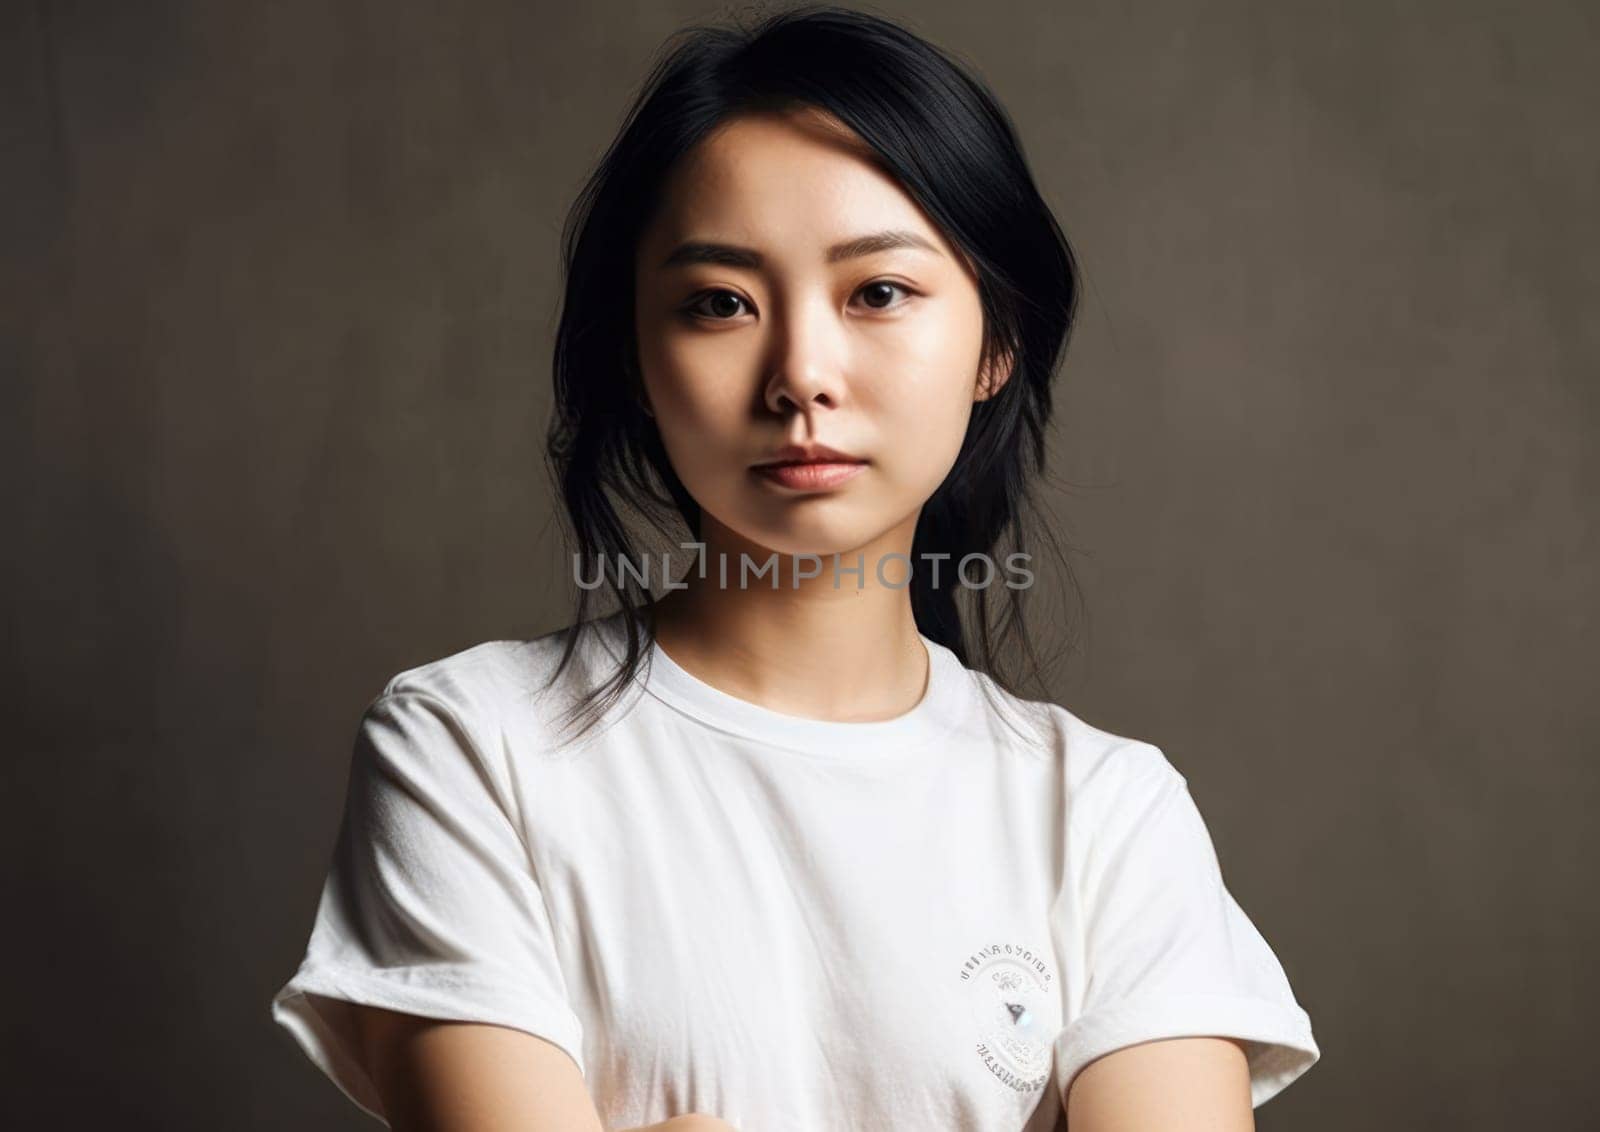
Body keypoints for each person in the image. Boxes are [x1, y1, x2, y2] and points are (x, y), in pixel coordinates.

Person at [269, 6, 1320, 1130]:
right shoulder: (472, 750)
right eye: (719, 303)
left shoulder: (1107, 816)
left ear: (995, 345)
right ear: (635, 354)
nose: (801, 374)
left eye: (878, 292)